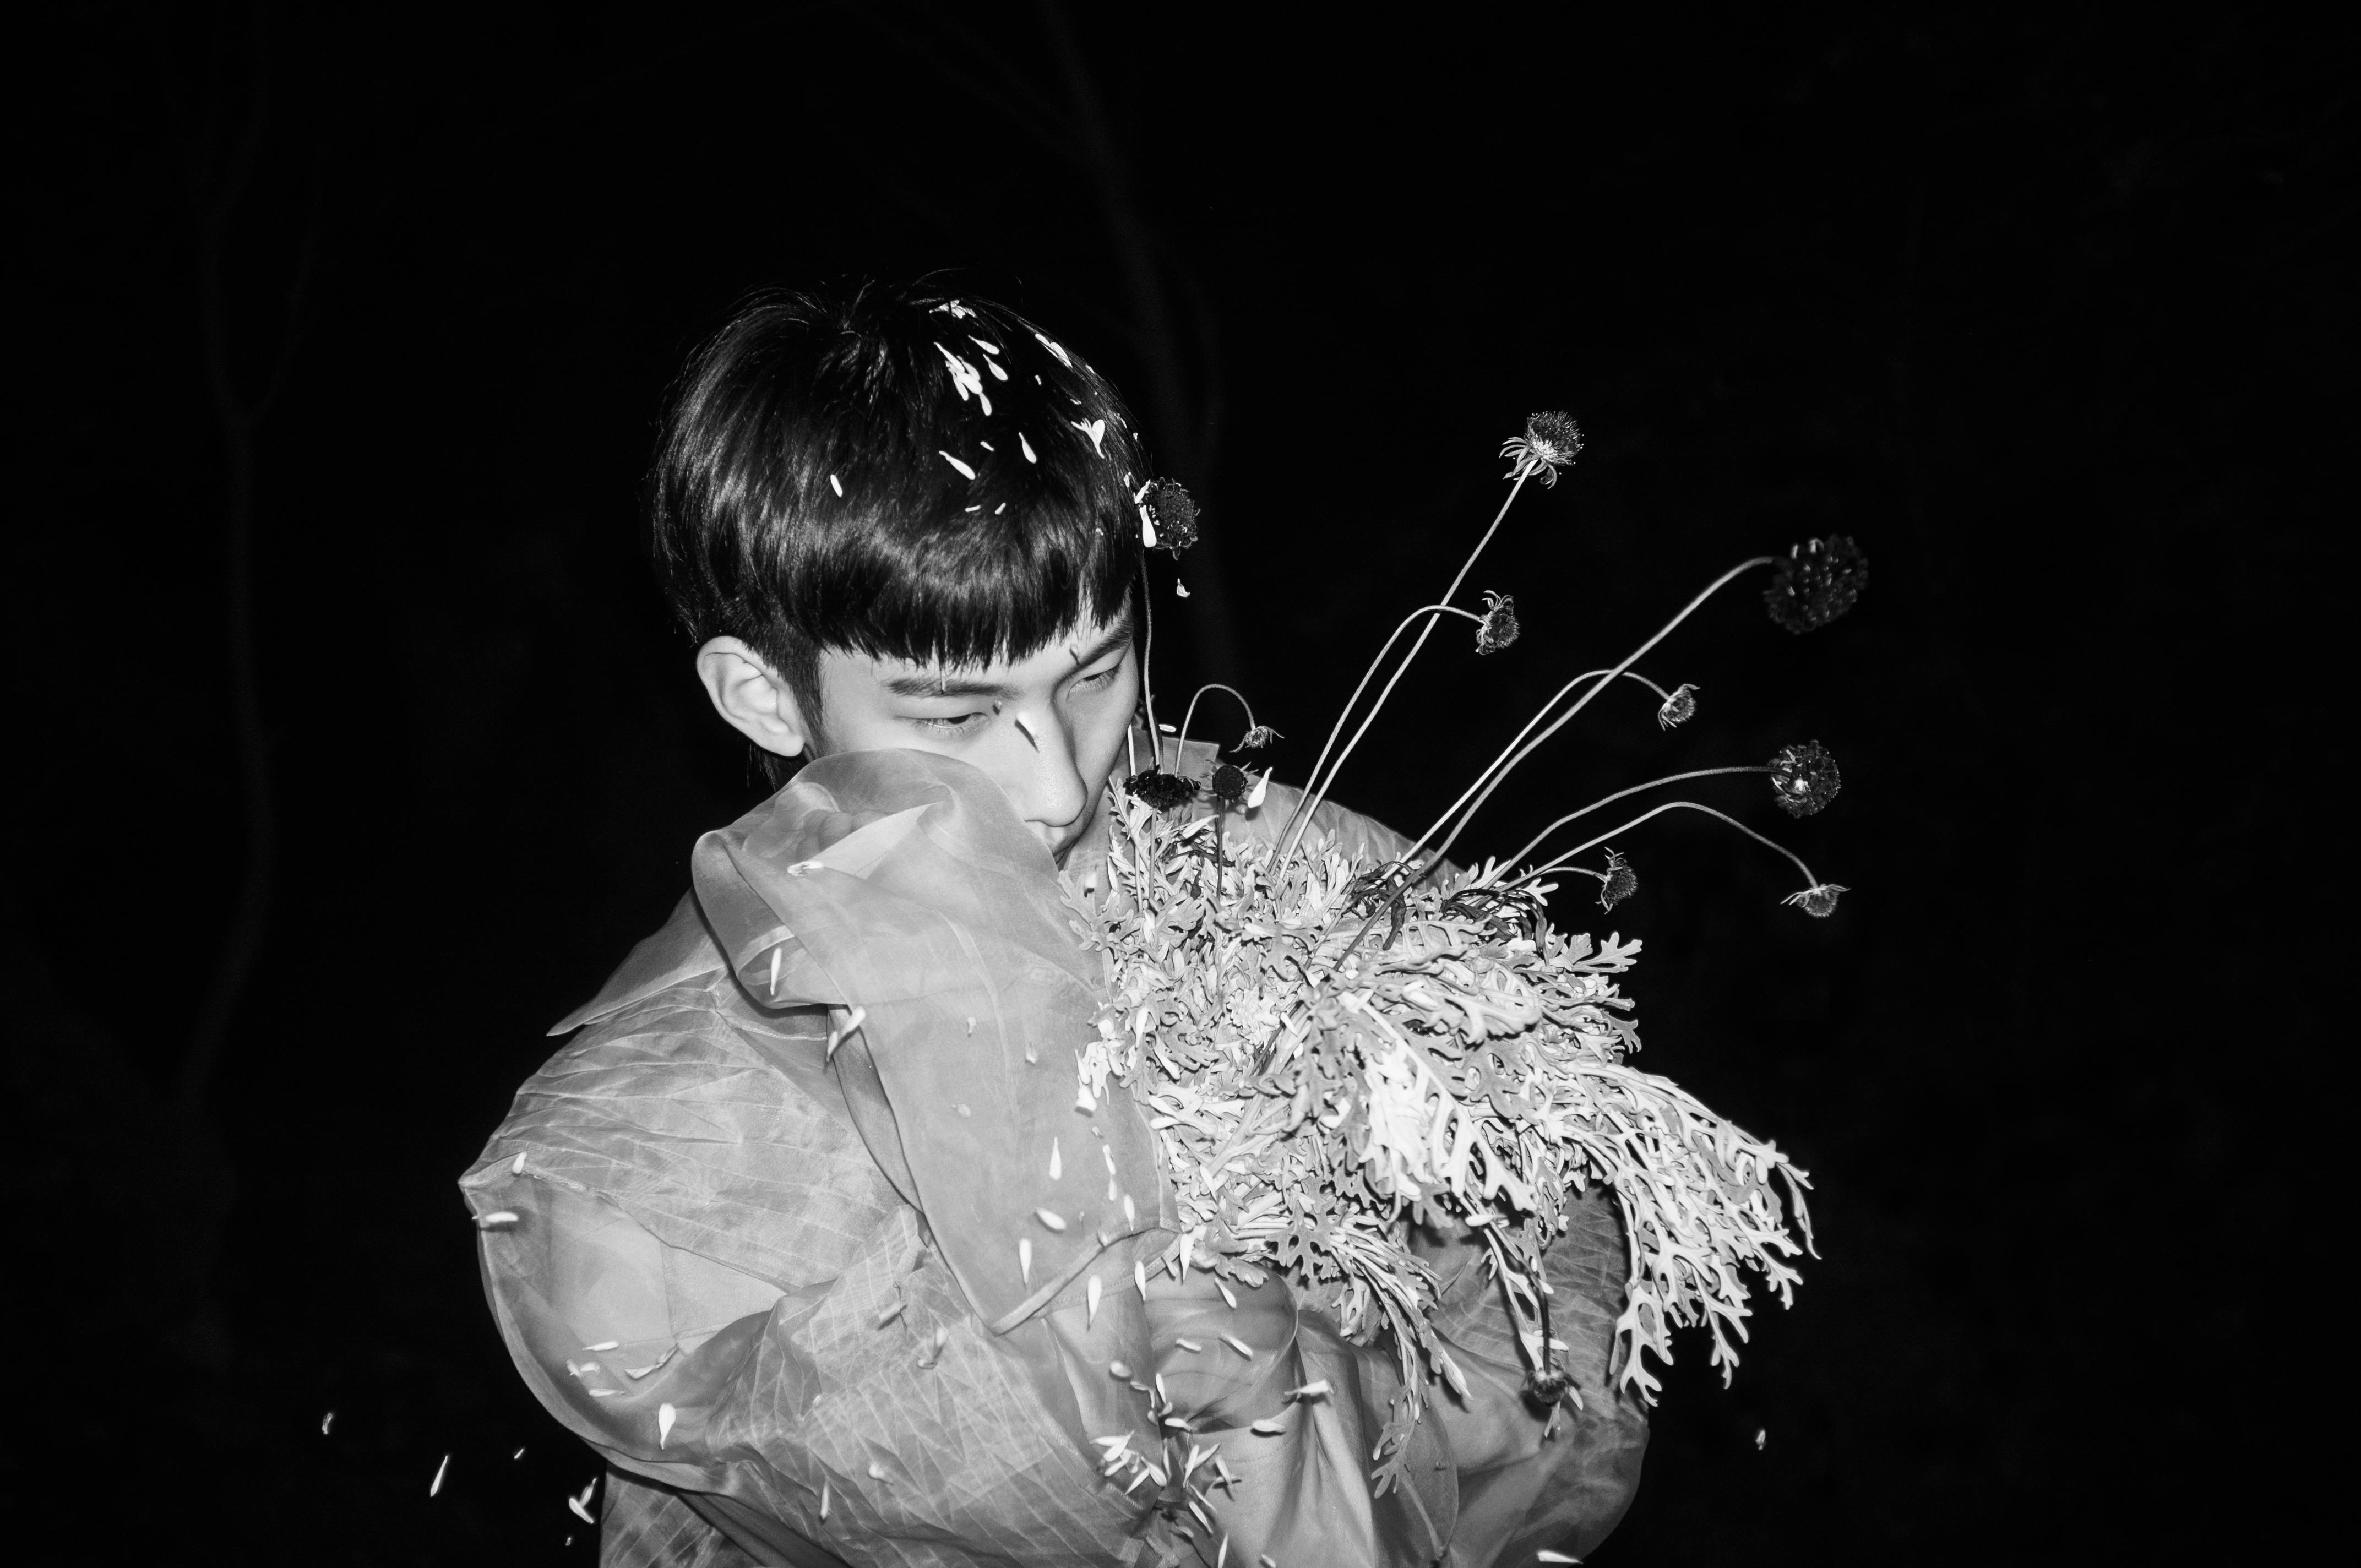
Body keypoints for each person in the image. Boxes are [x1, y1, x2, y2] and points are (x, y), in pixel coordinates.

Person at [460, 281, 1647, 1568]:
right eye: (955, 714)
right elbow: (859, 1476)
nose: (1058, 784)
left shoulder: (1258, 855)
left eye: (1094, 673)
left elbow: (1553, 1271)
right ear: (761, 694)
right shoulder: (655, 1122)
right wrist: (1171, 1319)